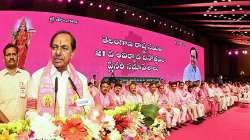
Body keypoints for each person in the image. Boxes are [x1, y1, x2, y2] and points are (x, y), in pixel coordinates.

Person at [27, 31, 94, 118]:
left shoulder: (81, 80)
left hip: (73, 129)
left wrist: (79, 105)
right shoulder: (37, 77)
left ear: (72, 53)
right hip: (46, 130)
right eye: (54, 47)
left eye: (64, 48)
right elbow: (30, 111)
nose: (58, 52)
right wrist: (44, 127)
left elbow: (87, 104)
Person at [0, 43, 30, 122]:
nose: (11, 57)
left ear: (18, 56)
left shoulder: (26, 75)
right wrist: (8, 125)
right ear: (4, 58)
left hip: (23, 128)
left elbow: (31, 101)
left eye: (14, 54)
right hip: (3, 128)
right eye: (8, 55)